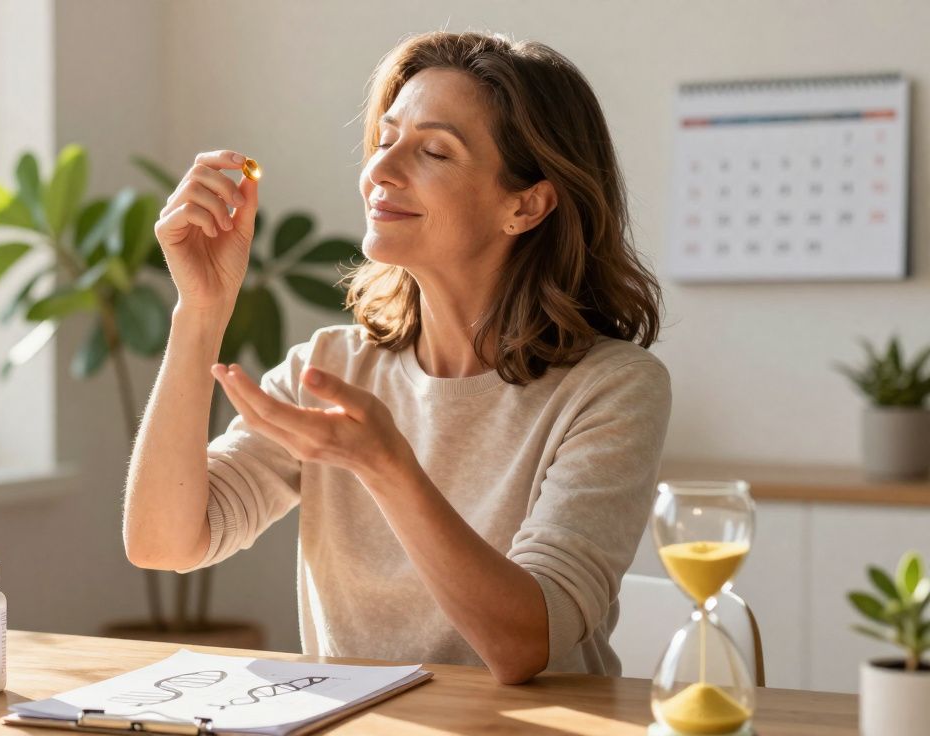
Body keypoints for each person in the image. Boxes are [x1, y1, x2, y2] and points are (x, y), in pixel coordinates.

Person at [121, 30, 671, 684]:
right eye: (384, 141)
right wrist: (201, 309)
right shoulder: (330, 366)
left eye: (434, 151)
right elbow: (163, 542)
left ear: (526, 205)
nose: (380, 172)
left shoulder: (611, 389)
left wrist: (385, 465)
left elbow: (526, 645)